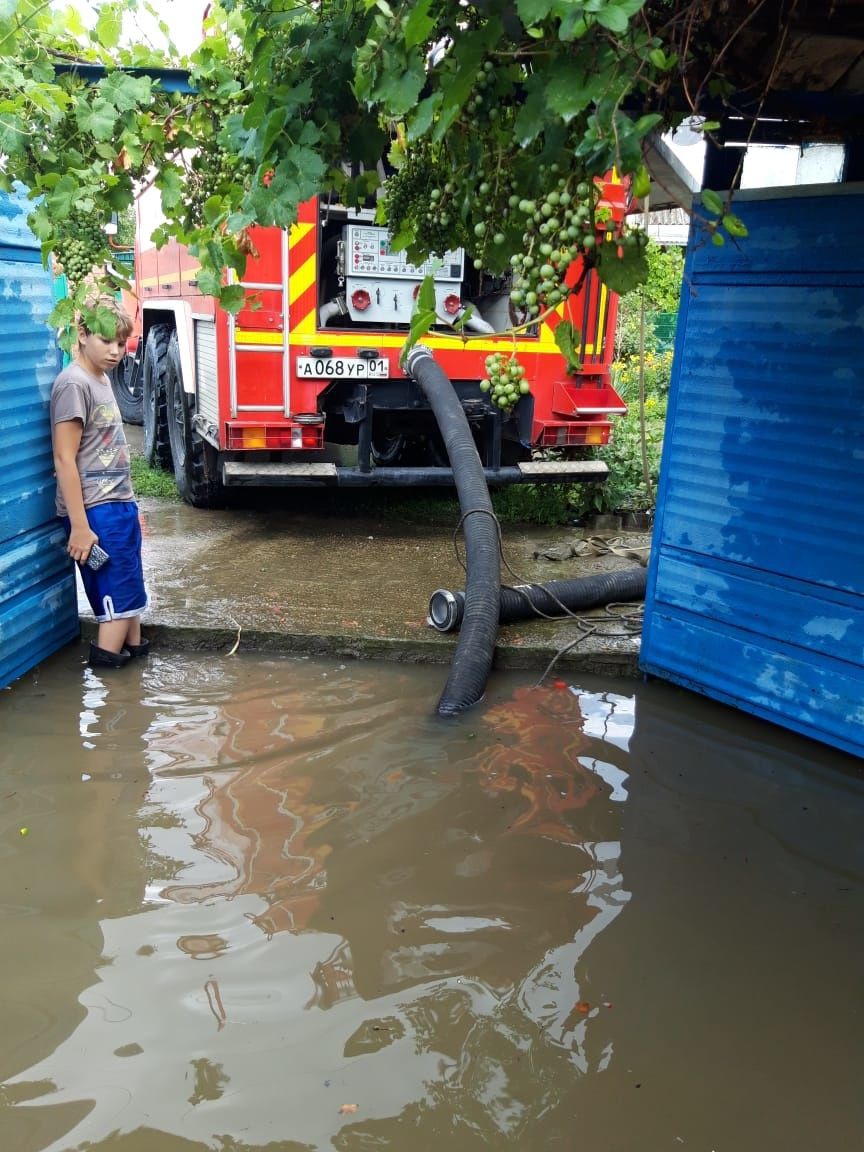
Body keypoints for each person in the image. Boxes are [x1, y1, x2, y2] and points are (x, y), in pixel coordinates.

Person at [50, 297, 149, 669]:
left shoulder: (101, 378)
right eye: (106, 341)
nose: (115, 351)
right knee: (115, 606)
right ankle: (113, 702)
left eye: (122, 343)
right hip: (95, 513)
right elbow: (64, 458)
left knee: (129, 598)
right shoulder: (73, 385)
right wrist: (79, 526)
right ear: (81, 334)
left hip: (118, 505)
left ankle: (134, 678)